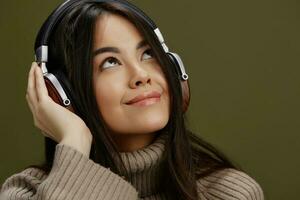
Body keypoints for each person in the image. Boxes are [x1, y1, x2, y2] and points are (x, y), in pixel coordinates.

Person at [0, 0, 264, 199]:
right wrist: (75, 142)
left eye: (148, 54)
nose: (140, 75)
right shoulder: (24, 193)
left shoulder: (228, 193)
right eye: (110, 62)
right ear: (61, 93)